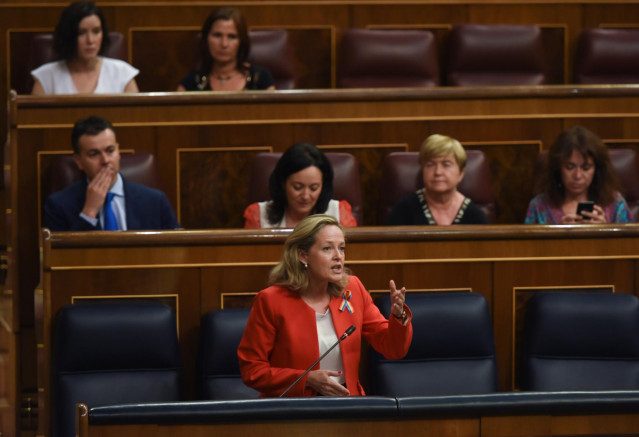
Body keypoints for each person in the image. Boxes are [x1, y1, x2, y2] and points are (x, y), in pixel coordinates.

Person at [238, 214, 412, 397]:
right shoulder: (271, 301)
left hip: (347, 407)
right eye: (327, 248)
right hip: (293, 412)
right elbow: (252, 371)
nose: (338, 257)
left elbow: (394, 349)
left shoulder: (353, 290)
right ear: (303, 255)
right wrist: (306, 379)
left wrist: (398, 317)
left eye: (342, 248)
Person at [43, 115, 179, 231]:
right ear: (79, 161)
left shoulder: (155, 201)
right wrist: (88, 213)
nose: (105, 160)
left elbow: (177, 252)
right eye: (94, 154)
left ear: (118, 151)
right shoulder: (58, 206)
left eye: (110, 150)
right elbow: (64, 259)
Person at [525, 125, 633, 224]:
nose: (577, 176)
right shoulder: (539, 206)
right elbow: (527, 245)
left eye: (586, 168)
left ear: (597, 169)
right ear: (558, 168)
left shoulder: (615, 203)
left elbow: (632, 243)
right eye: (570, 167)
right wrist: (558, 235)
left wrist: (605, 231)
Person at [31, 1, 139, 95]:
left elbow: (135, 117)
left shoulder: (123, 74)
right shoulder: (46, 77)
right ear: (68, 36)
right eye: (81, 33)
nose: (90, 40)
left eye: (96, 31)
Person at [243, 143, 358, 228]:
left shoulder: (338, 214)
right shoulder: (260, 216)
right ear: (283, 183)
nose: (305, 196)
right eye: (297, 187)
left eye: (314, 188)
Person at [386, 134, 489, 225]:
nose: (438, 172)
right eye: (430, 165)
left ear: (461, 174)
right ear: (423, 170)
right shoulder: (404, 210)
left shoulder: (475, 216)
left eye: (446, 165)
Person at [177, 6, 275, 91]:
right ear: (206, 39)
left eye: (232, 37)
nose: (224, 44)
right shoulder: (191, 83)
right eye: (217, 35)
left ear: (241, 41)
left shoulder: (260, 80)